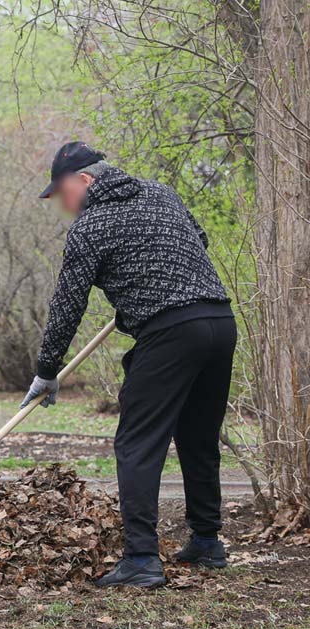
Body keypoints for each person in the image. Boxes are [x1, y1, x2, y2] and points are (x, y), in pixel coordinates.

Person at [23, 142, 236, 588]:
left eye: (62, 193)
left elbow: (68, 305)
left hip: (172, 333)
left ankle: (141, 558)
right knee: (198, 437)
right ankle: (206, 541)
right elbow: (199, 241)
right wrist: (146, 284)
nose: (62, 204)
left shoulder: (90, 227)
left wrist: (46, 370)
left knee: (137, 442)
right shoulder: (161, 193)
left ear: (85, 180)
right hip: (219, 321)